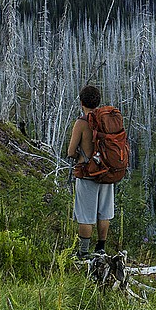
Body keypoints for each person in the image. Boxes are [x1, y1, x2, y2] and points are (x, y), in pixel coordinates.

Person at [66, 84, 115, 259]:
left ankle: (83, 253)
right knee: (104, 212)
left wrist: (81, 153)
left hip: (87, 173)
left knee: (86, 215)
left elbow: (71, 152)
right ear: (98, 102)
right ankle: (101, 248)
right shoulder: (107, 120)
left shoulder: (81, 123)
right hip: (107, 172)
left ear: (81, 102)